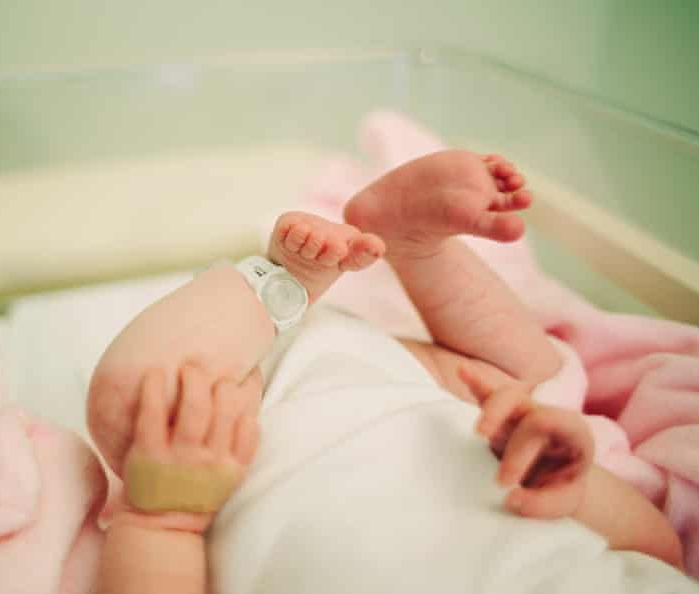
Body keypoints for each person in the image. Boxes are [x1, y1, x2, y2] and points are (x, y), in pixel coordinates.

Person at [87, 150, 685, 593]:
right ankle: (412, 245)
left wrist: (163, 518)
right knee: (532, 375)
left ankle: (280, 287)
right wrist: (570, 483)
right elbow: (660, 551)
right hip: (462, 424)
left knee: (135, 402)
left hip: (225, 442)